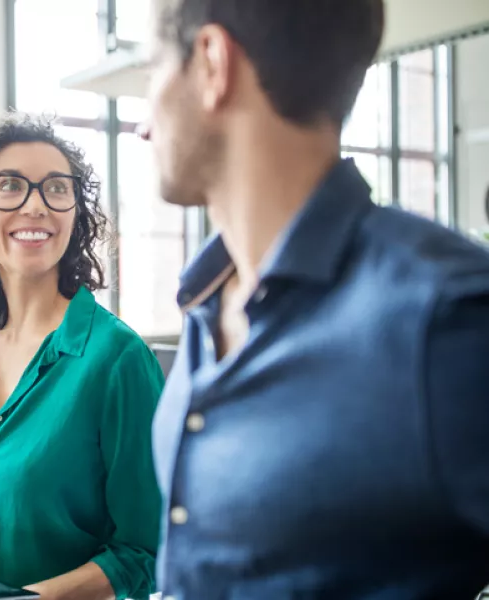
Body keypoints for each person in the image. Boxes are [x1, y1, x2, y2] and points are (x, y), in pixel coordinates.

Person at [144, 0, 489, 598]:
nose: (143, 121)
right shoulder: (203, 305)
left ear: (211, 64)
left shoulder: (445, 321)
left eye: (152, 69)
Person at [0, 113, 164, 600]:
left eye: (56, 189)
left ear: (75, 215)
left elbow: (146, 553)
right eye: (10, 186)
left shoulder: (117, 359)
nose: (36, 206)